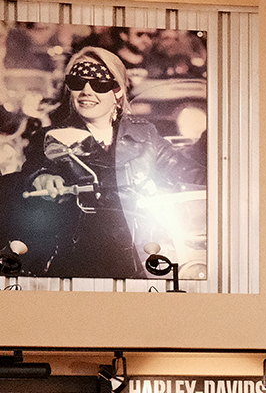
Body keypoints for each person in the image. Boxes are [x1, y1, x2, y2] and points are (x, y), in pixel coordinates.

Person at [19, 45, 205, 278]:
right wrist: (43, 178)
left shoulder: (145, 135)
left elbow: (192, 175)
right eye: (77, 82)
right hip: (78, 257)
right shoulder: (52, 137)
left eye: (99, 83)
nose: (86, 91)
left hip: (142, 256)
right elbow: (33, 171)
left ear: (117, 90)